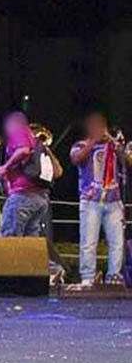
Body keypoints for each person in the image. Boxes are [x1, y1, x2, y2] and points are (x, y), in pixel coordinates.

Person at [0, 110, 64, 282]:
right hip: (40, 198)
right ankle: (51, 269)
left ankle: (7, 279)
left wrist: (6, 166)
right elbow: (56, 172)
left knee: (8, 237)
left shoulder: (19, 132)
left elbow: (24, 151)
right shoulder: (37, 142)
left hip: (23, 195)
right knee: (31, 242)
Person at [70, 111, 131, 286]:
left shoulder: (113, 146)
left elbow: (127, 162)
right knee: (89, 242)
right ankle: (87, 277)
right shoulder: (80, 145)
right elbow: (76, 159)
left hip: (114, 201)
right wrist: (93, 142)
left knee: (117, 242)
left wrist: (116, 145)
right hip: (91, 202)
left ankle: (114, 276)